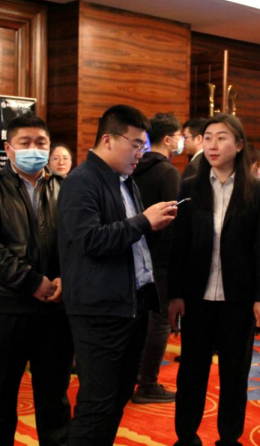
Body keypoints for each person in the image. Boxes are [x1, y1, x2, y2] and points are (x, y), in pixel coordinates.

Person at [58, 105, 177, 445]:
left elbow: (130, 238)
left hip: (129, 305)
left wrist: (152, 224)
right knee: (97, 402)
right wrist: (144, 221)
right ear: (108, 140)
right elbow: (90, 240)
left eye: (143, 145)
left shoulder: (125, 181)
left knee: (120, 393)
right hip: (99, 310)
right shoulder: (81, 181)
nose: (141, 153)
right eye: (135, 144)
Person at [168, 113, 260, 446]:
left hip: (238, 298)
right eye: (209, 138)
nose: (213, 145)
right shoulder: (190, 187)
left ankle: (229, 438)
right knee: (191, 372)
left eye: (222, 138)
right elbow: (179, 245)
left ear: (239, 145)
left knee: (234, 373)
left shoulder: (256, 190)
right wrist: (175, 294)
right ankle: (186, 436)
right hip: (197, 296)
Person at [0, 115, 73, 446]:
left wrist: (65, 279)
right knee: (0, 394)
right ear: (8, 149)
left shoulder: (64, 188)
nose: (33, 149)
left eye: (41, 143)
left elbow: (77, 241)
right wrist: (32, 282)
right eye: (24, 143)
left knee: (54, 395)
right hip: (7, 307)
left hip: (55, 309)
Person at [131, 112, 182, 404]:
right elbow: (173, 220)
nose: (182, 140)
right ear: (168, 138)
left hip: (134, 250)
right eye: (179, 135)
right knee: (160, 322)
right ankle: (147, 383)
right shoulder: (168, 173)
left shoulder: (133, 167)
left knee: (140, 319)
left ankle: (135, 374)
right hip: (161, 257)